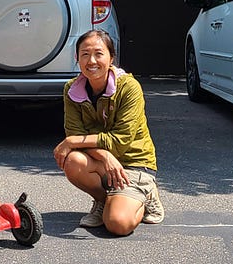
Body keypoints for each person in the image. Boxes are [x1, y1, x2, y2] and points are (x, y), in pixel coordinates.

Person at [53, 29, 164, 235]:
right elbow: (74, 133)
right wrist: (104, 156)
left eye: (98, 53)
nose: (91, 60)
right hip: (104, 163)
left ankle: (146, 195)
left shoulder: (129, 87)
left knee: (117, 224)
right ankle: (106, 200)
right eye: (85, 54)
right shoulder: (72, 89)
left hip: (135, 165)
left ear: (111, 57)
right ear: (77, 58)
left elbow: (120, 140)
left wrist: (72, 142)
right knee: (73, 161)